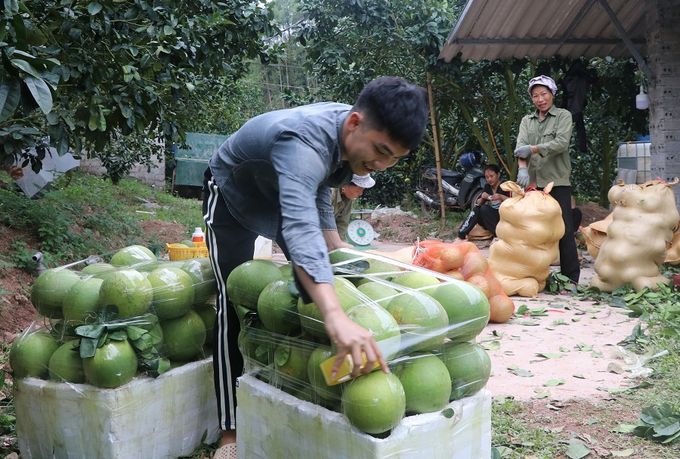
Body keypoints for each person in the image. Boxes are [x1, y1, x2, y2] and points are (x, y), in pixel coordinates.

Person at [202, 76, 429, 457]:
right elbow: (300, 224)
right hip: (234, 194)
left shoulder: (348, 140)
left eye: (394, 158)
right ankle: (231, 430)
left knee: (321, 283)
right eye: (380, 150)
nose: (382, 164)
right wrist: (335, 315)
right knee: (233, 304)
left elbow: (320, 188)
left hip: (289, 195)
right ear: (355, 122)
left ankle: (302, 391)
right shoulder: (302, 142)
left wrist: (335, 245)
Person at [514, 75, 580, 286]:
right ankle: (536, 277)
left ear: (552, 94)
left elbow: (561, 143)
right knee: (532, 231)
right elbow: (520, 147)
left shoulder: (563, 116)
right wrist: (522, 170)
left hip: (557, 181)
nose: (540, 99)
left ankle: (570, 280)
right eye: (535, 96)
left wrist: (534, 149)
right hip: (533, 183)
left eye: (544, 94)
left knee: (564, 230)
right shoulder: (527, 121)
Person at [457, 164, 510, 240]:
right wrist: (482, 198)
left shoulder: (506, 185)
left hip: (502, 217)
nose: (489, 179)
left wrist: (501, 197)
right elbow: (479, 203)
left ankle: (498, 234)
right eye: (487, 177)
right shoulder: (487, 187)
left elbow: (514, 202)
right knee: (477, 209)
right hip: (489, 218)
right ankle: (461, 235)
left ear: (498, 175)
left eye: (492, 176)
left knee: (484, 208)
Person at [331, 174, 375, 242]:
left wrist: (342, 247)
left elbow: (342, 224)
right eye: (359, 190)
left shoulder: (347, 198)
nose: (361, 193)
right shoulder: (330, 194)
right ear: (345, 184)